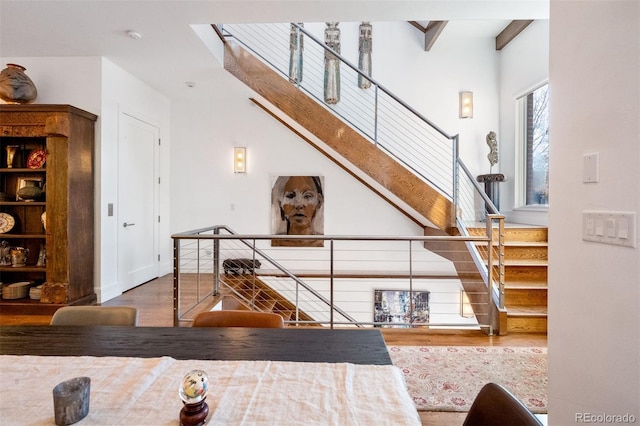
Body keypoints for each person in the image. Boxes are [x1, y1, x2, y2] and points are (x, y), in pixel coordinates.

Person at [271, 176, 324, 247]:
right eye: (290, 196)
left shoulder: (323, 242)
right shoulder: (275, 242)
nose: (299, 204)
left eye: (307, 196)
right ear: (281, 203)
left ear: (319, 201)